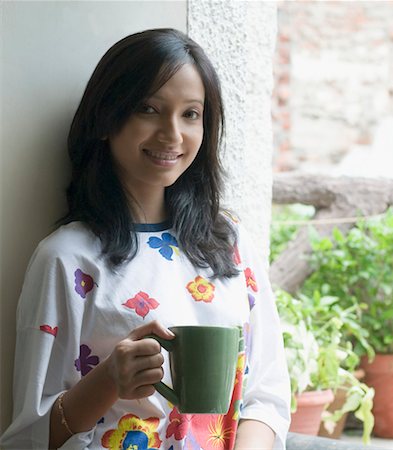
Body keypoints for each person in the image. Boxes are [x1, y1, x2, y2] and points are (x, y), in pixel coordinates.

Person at [0, 28, 290, 450]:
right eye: (148, 109)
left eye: (191, 114)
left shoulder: (230, 244)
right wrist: (107, 381)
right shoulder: (66, 259)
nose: (172, 134)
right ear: (105, 118)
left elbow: (267, 396)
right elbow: (27, 439)